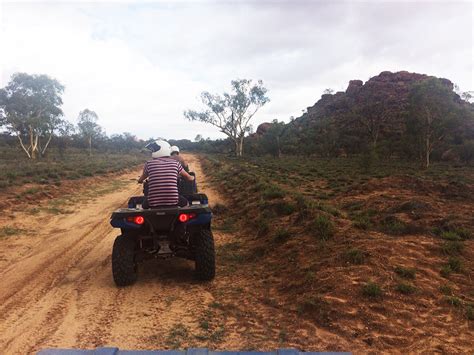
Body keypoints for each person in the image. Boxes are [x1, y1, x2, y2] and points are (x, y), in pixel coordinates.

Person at [138, 139, 194, 208]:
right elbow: (188, 177)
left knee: (143, 206)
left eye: (154, 150)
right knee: (186, 203)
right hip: (174, 201)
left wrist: (139, 181)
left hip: (152, 202)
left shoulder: (149, 164)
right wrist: (192, 178)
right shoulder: (175, 163)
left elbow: (142, 178)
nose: (152, 152)